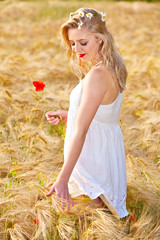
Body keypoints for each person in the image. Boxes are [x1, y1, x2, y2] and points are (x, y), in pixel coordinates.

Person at [45, 8, 129, 219]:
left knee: (82, 217)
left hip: (92, 157)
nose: (76, 49)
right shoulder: (113, 66)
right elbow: (104, 114)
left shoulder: (97, 75)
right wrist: (69, 114)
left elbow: (81, 130)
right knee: (91, 217)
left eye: (83, 42)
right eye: (73, 43)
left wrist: (63, 178)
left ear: (100, 39)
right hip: (104, 152)